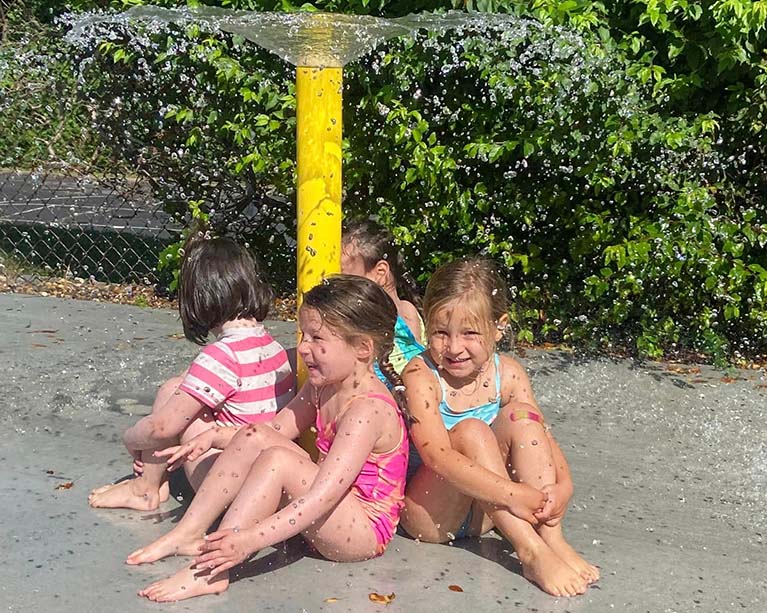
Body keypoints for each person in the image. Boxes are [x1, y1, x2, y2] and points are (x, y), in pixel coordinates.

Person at [128, 275, 410, 603]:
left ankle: (211, 571)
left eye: (317, 338)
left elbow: (320, 498)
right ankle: (188, 532)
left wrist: (249, 539)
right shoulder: (324, 384)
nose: (303, 347)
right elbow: (274, 431)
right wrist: (214, 436)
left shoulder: (366, 411)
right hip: (333, 514)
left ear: (363, 348)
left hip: (361, 533)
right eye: (304, 334)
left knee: (278, 461)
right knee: (255, 433)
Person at [400, 258, 599, 598]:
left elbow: (543, 439)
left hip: (490, 513)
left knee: (523, 416)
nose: (454, 347)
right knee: (472, 430)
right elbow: (438, 458)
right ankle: (530, 551)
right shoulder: (421, 376)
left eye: (470, 333)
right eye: (440, 333)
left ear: (499, 327)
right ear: (426, 327)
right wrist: (514, 494)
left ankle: (551, 538)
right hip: (432, 517)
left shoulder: (507, 373)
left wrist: (564, 487)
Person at [88, 236, 294, 511]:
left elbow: (162, 427)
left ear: (197, 297)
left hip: (229, 490)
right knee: (185, 388)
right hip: (271, 483)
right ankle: (154, 483)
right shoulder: (273, 347)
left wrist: (130, 438)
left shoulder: (221, 356)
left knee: (172, 391)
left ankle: (144, 488)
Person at [341, 219, 425, 375]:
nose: (336, 286)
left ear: (380, 272)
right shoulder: (407, 308)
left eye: (344, 277)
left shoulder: (397, 317)